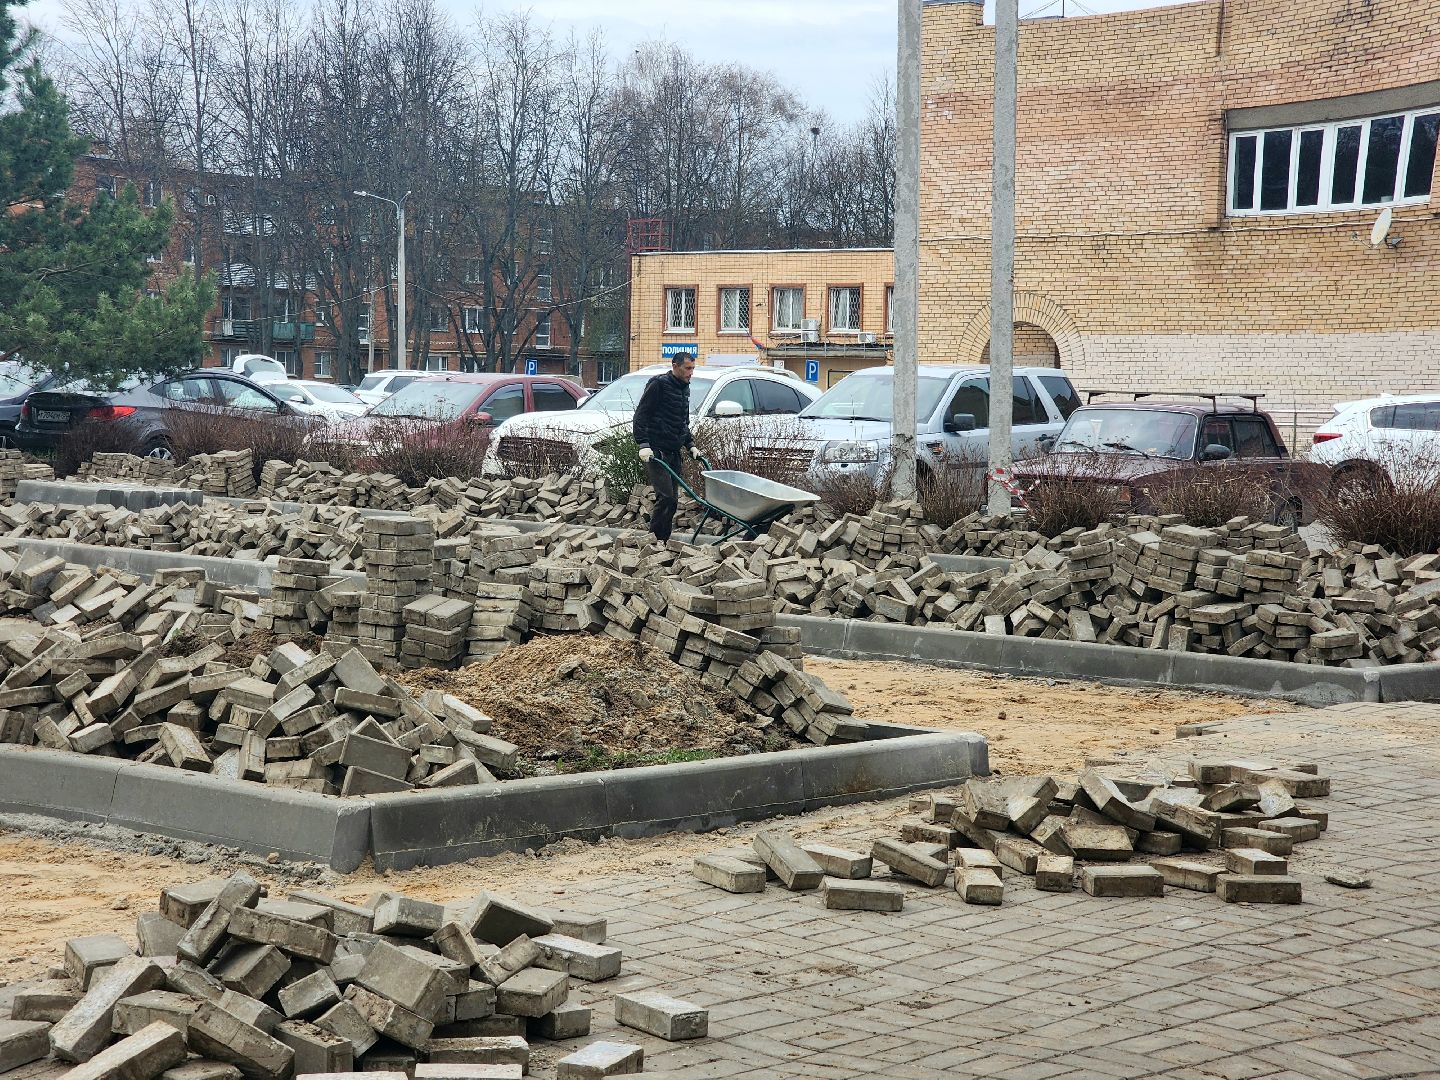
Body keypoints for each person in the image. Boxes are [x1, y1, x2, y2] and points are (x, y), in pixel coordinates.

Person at [633, 352, 696, 541]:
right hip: (656, 450)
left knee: (673, 501)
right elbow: (641, 416)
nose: (690, 373)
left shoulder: (685, 388)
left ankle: (664, 541)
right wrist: (643, 444)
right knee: (666, 497)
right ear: (675, 366)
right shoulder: (658, 384)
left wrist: (690, 444)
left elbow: (682, 421)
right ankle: (653, 541)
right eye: (687, 368)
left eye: (692, 368)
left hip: (674, 451)